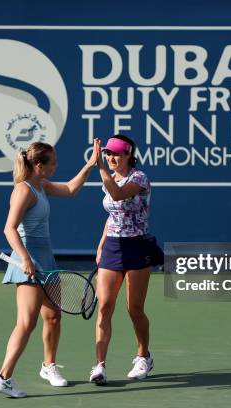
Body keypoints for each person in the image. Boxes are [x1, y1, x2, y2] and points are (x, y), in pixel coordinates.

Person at [0, 140, 100, 398]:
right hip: (29, 260)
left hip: (46, 260)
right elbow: (9, 228)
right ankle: (3, 377)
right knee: (26, 323)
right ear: (39, 165)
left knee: (53, 317)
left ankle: (49, 366)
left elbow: (71, 190)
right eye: (53, 163)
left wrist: (90, 165)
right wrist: (26, 259)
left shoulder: (41, 186)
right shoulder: (23, 190)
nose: (56, 166)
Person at [89, 135, 164, 385]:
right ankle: (99, 365)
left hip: (137, 247)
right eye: (108, 154)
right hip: (112, 246)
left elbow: (118, 196)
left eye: (117, 154)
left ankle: (144, 356)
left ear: (129, 156)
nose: (111, 158)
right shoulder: (110, 179)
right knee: (105, 307)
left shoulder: (139, 178)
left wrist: (99, 166)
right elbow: (113, 215)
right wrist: (101, 246)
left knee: (134, 309)